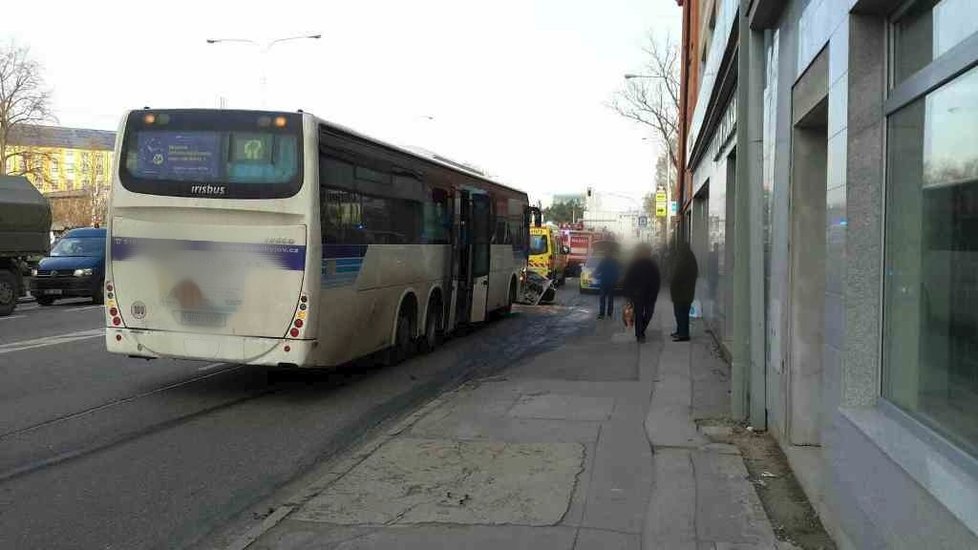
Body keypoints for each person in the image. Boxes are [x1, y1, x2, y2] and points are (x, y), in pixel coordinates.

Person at [623, 243, 661, 342]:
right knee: (639, 314)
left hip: (650, 295)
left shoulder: (652, 264)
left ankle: (641, 330)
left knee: (649, 313)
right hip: (638, 295)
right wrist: (629, 294)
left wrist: (655, 293)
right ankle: (639, 334)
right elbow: (628, 279)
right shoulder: (634, 264)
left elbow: (657, 280)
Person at [670, 242, 699, 342]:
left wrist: (672, 281)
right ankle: (681, 332)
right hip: (686, 292)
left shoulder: (684, 260)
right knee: (683, 314)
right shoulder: (690, 258)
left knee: (680, 313)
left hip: (681, 293)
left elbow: (677, 275)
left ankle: (683, 334)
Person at [593, 251, 621, 320]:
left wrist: (594, 274)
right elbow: (617, 271)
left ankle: (602, 314)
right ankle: (609, 313)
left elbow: (598, 269)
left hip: (604, 282)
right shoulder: (614, 262)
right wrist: (616, 280)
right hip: (610, 282)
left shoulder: (604, 261)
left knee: (603, 298)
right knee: (610, 299)